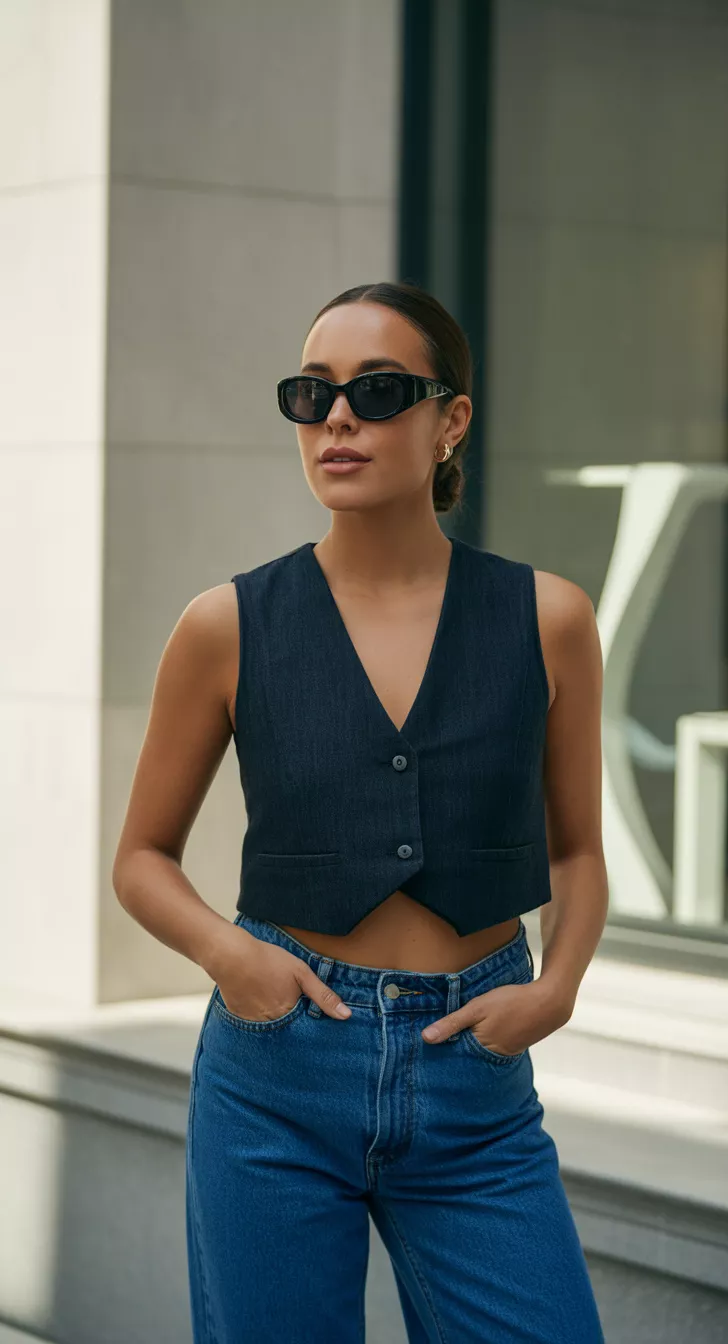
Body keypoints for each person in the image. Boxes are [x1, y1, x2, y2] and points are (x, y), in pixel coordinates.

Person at [112, 280, 608, 1343]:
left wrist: (556, 990)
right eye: (313, 393)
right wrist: (230, 957)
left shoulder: (548, 617)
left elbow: (576, 850)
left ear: (451, 421)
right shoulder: (227, 624)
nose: (339, 418)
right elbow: (143, 858)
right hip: (278, 1074)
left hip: (475, 1078)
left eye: (379, 391)